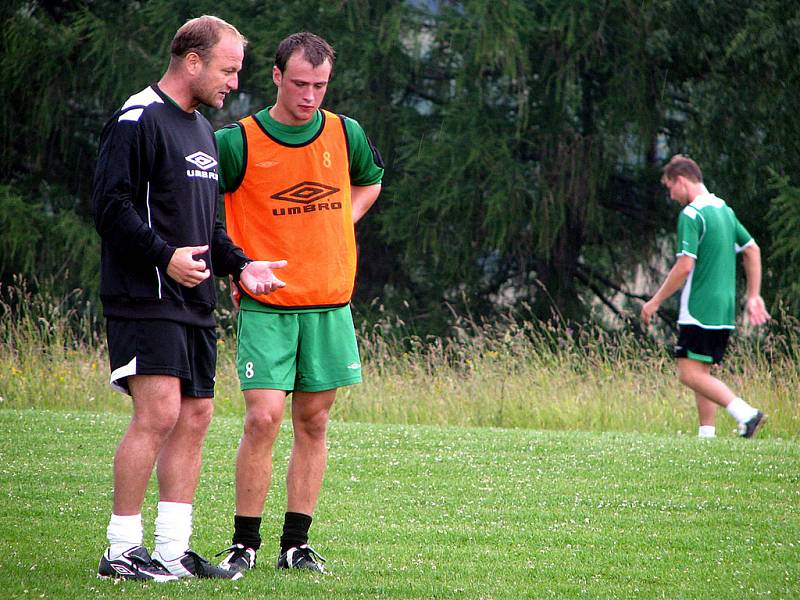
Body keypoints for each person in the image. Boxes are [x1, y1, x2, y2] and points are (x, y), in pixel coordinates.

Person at [92, 15, 286, 582]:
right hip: (144, 294)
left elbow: (209, 225)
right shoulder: (137, 118)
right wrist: (163, 256)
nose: (234, 83)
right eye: (228, 70)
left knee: (196, 416)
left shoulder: (201, 129)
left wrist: (242, 265)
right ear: (193, 61)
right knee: (158, 413)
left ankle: (172, 551)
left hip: (195, 301)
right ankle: (121, 550)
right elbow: (110, 206)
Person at [213, 32, 384, 574]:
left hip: (330, 302)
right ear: (277, 77)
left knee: (314, 421)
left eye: (321, 85)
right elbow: (196, 197)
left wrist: (339, 223)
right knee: (263, 419)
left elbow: (372, 181)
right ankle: (244, 544)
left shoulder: (344, 132)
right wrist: (234, 260)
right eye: (301, 84)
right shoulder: (238, 141)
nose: (311, 96)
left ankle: (296, 544)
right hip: (268, 303)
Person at [640, 155, 770, 439]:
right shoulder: (724, 210)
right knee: (702, 371)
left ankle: (746, 414)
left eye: (669, 187)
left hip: (699, 306)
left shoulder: (692, 214)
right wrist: (753, 295)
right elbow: (752, 250)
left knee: (688, 374)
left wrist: (656, 301)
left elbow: (684, 266)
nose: (671, 195)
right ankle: (706, 435)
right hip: (724, 309)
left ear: (681, 181)